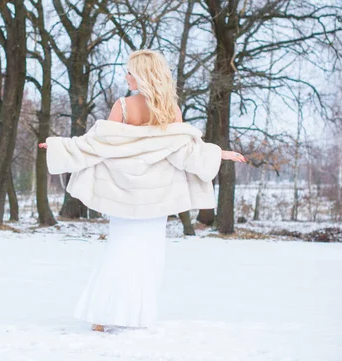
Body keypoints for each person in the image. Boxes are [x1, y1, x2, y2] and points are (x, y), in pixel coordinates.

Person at [38, 50, 246, 332]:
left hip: (124, 197)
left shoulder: (123, 106)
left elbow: (97, 145)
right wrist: (219, 154)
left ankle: (102, 318)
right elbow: (186, 153)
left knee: (119, 252)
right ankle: (132, 316)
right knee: (147, 257)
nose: (126, 77)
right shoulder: (169, 110)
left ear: (144, 76)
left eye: (130, 72)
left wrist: (61, 146)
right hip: (156, 200)